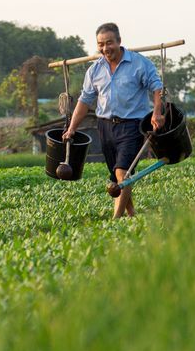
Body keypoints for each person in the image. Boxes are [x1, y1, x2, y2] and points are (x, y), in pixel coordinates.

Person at [63, 23, 165, 218]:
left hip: (132, 125)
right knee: (117, 175)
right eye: (100, 44)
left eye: (109, 42)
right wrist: (71, 128)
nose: (105, 48)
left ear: (119, 41)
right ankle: (131, 215)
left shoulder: (139, 64)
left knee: (122, 173)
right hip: (105, 126)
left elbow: (157, 87)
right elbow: (84, 101)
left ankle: (115, 220)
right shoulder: (95, 70)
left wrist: (157, 112)